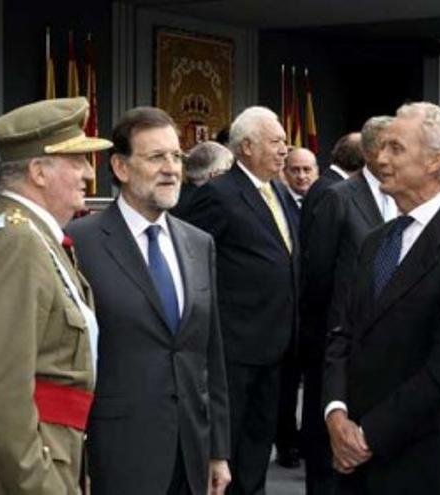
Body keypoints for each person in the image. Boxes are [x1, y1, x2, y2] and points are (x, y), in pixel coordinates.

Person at [0, 97, 110, 494]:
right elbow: (1, 389)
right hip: (11, 469)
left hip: (34, 452)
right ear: (38, 172)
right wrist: (41, 481)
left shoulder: (29, 236)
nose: (88, 174)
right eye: (75, 162)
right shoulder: (18, 243)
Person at [67, 107, 231, 494]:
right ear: (121, 168)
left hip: (190, 453)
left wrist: (218, 450)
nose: (172, 169)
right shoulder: (80, 243)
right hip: (117, 455)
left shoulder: (198, 242)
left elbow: (211, 354)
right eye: (156, 157)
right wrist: (78, 459)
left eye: (177, 157)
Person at [323, 102, 440, 494]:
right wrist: (335, 414)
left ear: (434, 161)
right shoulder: (376, 241)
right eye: (381, 147)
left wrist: (366, 436)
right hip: (349, 456)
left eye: (395, 149)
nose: (380, 157)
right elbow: (342, 332)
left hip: (414, 460)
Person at [183, 106, 299, 494]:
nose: (285, 149)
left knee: (257, 445)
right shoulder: (219, 194)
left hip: (275, 343)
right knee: (226, 450)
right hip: (233, 346)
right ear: (246, 147)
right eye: (277, 141)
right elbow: (189, 256)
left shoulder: (278, 191)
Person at [299, 115, 392, 495]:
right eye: (392, 146)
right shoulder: (339, 197)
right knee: (329, 450)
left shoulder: (404, 195)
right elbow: (317, 274)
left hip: (383, 348)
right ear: (371, 152)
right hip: (336, 342)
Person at [274, 146, 319, 469]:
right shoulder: (277, 202)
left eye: (308, 169)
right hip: (284, 311)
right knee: (287, 384)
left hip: (312, 310)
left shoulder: (325, 200)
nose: (302, 176)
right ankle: (286, 441)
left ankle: (306, 439)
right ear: (284, 173)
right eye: (295, 170)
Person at [171, 140, 233, 218]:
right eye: (226, 171)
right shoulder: (208, 203)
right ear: (215, 174)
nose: (230, 176)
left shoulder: (174, 195)